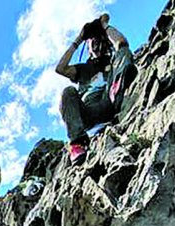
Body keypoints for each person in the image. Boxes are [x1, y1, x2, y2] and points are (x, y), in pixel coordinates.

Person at [56, 14, 137, 164]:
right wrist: (79, 39)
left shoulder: (112, 61)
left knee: (123, 52)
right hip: (88, 114)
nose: (96, 44)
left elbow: (121, 43)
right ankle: (78, 144)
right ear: (87, 47)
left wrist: (104, 25)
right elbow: (60, 68)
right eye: (92, 42)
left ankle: (119, 87)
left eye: (98, 41)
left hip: (109, 100)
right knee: (67, 92)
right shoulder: (83, 69)